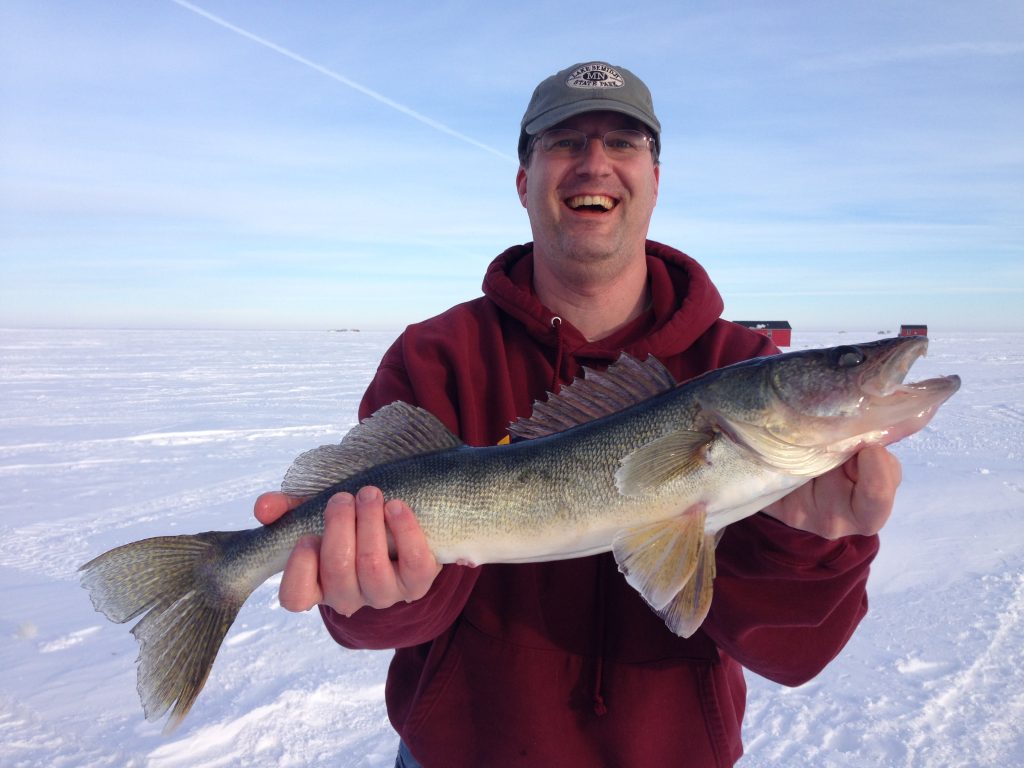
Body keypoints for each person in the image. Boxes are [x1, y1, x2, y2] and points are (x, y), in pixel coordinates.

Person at [254, 61, 902, 767]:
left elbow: (793, 655)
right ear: (523, 181)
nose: (595, 163)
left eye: (624, 142)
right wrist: (379, 594)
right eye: (565, 142)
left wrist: (806, 547)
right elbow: (380, 624)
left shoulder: (731, 361)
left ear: (655, 179)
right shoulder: (436, 357)